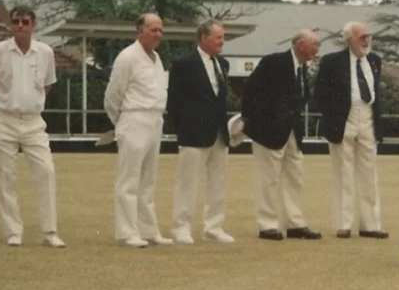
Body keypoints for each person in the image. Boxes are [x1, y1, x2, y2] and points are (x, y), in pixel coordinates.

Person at [0, 5, 65, 248]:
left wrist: (32, 102)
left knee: (46, 171)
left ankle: (50, 231)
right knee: (6, 177)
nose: (20, 26)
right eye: (16, 22)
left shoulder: (45, 52)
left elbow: (48, 85)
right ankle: (13, 232)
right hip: (4, 119)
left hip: (33, 122)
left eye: (25, 22)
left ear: (34, 24)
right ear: (11, 25)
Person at [242, 30, 322, 241]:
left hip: (291, 133)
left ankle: (295, 223)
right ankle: (267, 225)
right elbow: (250, 90)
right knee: (268, 180)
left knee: (295, 177)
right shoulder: (274, 62)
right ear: (299, 44)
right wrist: (251, 120)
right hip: (268, 132)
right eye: (315, 44)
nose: (317, 49)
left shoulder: (303, 69)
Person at [312, 21, 388, 239]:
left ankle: (371, 224)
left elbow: (375, 92)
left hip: (367, 116)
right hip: (344, 118)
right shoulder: (331, 61)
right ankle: (343, 224)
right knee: (343, 172)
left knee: (368, 171)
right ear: (349, 40)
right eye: (362, 37)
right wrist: (334, 116)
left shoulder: (374, 60)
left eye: (368, 37)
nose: (367, 41)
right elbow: (320, 94)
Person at [103, 13, 173, 248]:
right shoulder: (127, 57)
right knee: (129, 180)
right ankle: (127, 232)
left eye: (160, 30)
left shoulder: (157, 58)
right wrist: (122, 123)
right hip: (133, 118)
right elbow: (113, 96)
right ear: (139, 30)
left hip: (155, 120)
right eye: (153, 30)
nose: (158, 35)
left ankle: (148, 229)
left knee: (148, 181)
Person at [166, 18, 235, 244]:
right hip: (193, 134)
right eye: (218, 37)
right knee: (187, 183)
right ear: (204, 38)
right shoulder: (184, 64)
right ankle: (181, 227)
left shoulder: (223, 65)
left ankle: (214, 227)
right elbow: (173, 102)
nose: (222, 42)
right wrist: (183, 129)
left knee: (218, 182)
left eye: (223, 37)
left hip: (219, 133)